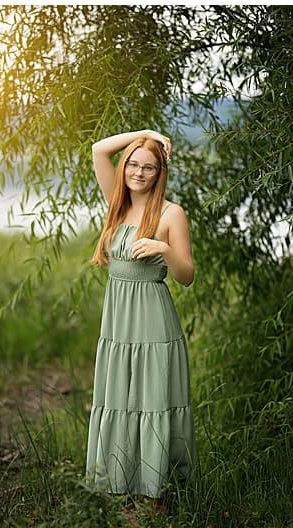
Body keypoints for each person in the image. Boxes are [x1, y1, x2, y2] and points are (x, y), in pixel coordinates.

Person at [84, 129, 196, 508]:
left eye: (148, 167)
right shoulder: (116, 204)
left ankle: (157, 493)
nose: (138, 172)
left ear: (159, 172)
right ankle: (121, 487)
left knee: (152, 402)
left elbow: (186, 276)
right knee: (119, 398)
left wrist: (164, 247)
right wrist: (147, 134)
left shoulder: (170, 213)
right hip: (117, 322)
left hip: (153, 322)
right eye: (132, 164)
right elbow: (99, 150)